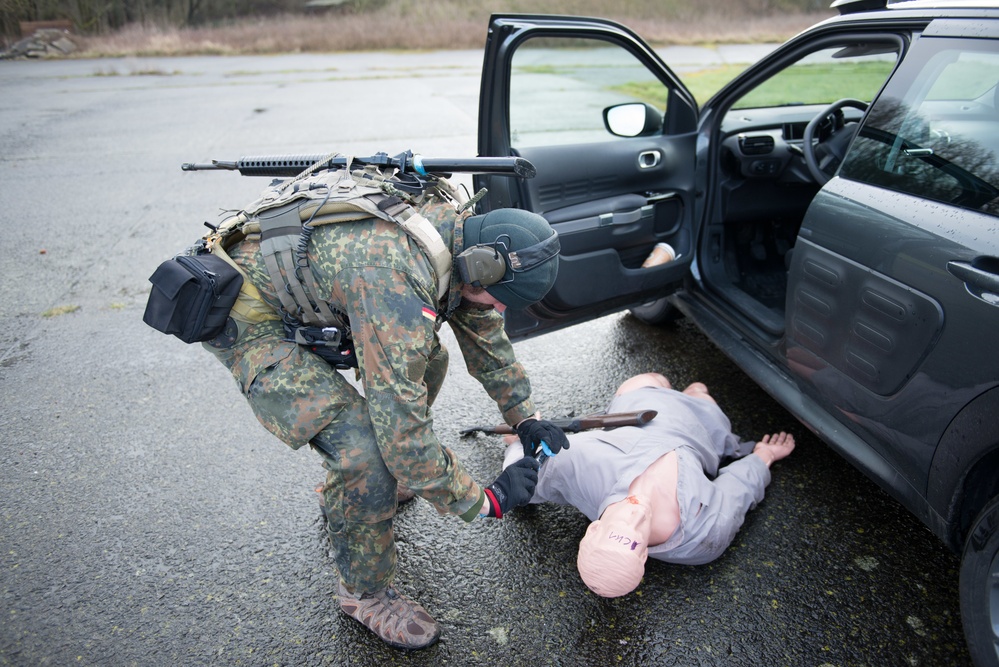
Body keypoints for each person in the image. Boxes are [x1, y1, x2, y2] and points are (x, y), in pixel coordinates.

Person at [200, 165, 569, 650]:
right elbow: (400, 429)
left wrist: (525, 416)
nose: (500, 310)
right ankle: (363, 592)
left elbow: (484, 333)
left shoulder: (459, 242)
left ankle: (378, 489)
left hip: (314, 297)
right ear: (480, 267)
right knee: (367, 450)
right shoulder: (396, 274)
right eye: (500, 299)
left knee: (428, 359)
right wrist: (483, 500)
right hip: (251, 320)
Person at [502, 372, 795, 598]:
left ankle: (668, 388)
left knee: (651, 380)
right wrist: (764, 456)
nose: (638, 513)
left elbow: (520, 482)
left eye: (621, 524)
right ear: (644, 555)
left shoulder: (575, 467)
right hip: (698, 431)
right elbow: (736, 492)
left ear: (594, 529)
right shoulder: (702, 537)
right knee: (700, 392)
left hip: (638, 412)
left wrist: (519, 439)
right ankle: (694, 394)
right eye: (638, 534)